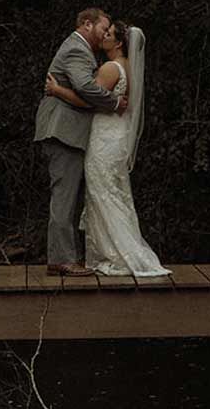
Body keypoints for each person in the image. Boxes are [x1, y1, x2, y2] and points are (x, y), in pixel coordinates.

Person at [43, 20, 169, 278]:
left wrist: (58, 90)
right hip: (115, 138)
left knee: (103, 195)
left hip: (103, 140)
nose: (104, 37)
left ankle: (116, 254)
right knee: (113, 194)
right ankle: (112, 252)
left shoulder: (111, 67)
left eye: (109, 34)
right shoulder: (127, 67)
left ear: (120, 43)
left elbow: (89, 98)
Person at [34, 8, 125, 276]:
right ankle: (62, 260)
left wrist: (60, 90)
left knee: (67, 194)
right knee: (64, 196)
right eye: (103, 28)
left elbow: (81, 90)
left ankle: (63, 257)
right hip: (62, 130)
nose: (106, 33)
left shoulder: (81, 49)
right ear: (87, 24)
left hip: (65, 131)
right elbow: (85, 86)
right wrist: (115, 102)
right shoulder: (76, 49)